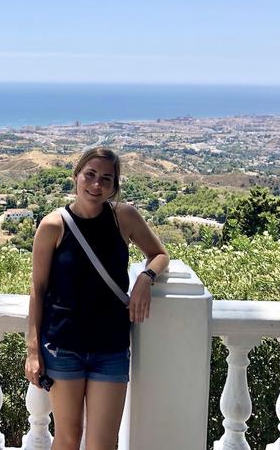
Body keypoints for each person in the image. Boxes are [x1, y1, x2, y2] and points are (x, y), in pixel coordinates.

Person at [24, 148, 169, 450]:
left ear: (114, 186)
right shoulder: (53, 226)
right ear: (76, 176)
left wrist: (145, 278)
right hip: (63, 347)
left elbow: (159, 254)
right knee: (67, 438)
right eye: (89, 175)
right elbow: (38, 289)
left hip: (110, 347)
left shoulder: (124, 218)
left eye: (106, 178)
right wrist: (33, 352)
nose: (96, 184)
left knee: (102, 443)